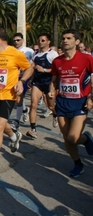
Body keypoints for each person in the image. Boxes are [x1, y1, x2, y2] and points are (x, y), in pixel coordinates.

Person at [0, 27, 33, 176]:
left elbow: (29, 68)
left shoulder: (15, 53)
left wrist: (21, 81)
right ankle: (15, 136)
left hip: (8, 96)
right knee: (1, 124)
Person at [49, 29, 93, 178]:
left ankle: (86, 138)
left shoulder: (86, 59)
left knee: (73, 138)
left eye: (69, 38)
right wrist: (51, 91)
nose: (65, 41)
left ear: (77, 41)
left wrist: (91, 97)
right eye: (63, 38)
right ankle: (78, 163)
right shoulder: (57, 61)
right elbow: (54, 81)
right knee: (66, 137)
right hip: (62, 102)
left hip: (80, 103)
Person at [27, 33, 59, 139]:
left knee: (50, 106)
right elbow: (32, 68)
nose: (40, 42)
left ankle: (55, 114)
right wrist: (30, 80)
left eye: (43, 40)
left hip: (49, 83)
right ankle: (33, 129)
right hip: (37, 82)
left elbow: (57, 70)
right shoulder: (35, 54)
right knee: (33, 105)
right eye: (39, 40)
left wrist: (44, 70)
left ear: (48, 42)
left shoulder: (53, 54)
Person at [10, 33, 35, 130]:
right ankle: (24, 110)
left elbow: (33, 66)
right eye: (14, 40)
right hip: (14, 77)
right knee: (18, 97)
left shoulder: (29, 51)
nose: (16, 42)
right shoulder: (11, 51)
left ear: (23, 40)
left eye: (18, 40)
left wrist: (32, 78)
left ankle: (16, 120)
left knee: (19, 96)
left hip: (25, 77)